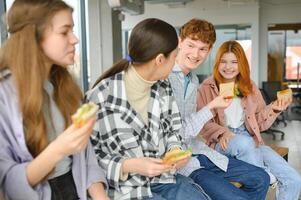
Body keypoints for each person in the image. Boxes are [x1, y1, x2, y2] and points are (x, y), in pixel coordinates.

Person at [86, 18, 210, 200]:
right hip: (127, 189)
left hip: (165, 180)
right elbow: (88, 163)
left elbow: (173, 131)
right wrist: (129, 165)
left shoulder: (163, 87)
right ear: (160, 60)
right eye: (174, 57)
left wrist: (175, 150)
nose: (176, 62)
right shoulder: (101, 97)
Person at [0, 0, 108, 199]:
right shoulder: (4, 95)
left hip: (72, 187)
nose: (75, 39)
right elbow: (8, 184)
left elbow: (85, 157)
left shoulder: (64, 86)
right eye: (64, 32)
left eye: (73, 30)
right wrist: (59, 149)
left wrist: (101, 196)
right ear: (33, 36)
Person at [168, 18, 270, 200]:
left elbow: (192, 130)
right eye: (191, 45)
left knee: (261, 178)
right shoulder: (164, 78)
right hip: (181, 163)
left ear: (209, 52)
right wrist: (212, 108)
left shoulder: (192, 81)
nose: (195, 54)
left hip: (198, 151)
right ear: (179, 42)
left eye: (203, 49)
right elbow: (177, 133)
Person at [197, 40, 301, 200]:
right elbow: (202, 123)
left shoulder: (250, 87)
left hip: (252, 140)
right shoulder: (206, 87)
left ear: (242, 64)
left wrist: (273, 109)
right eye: (223, 62)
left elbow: (259, 124)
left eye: (234, 62)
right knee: (244, 146)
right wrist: (221, 132)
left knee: (293, 179)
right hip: (223, 143)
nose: (228, 67)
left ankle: (265, 175)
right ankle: (264, 176)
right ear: (217, 63)